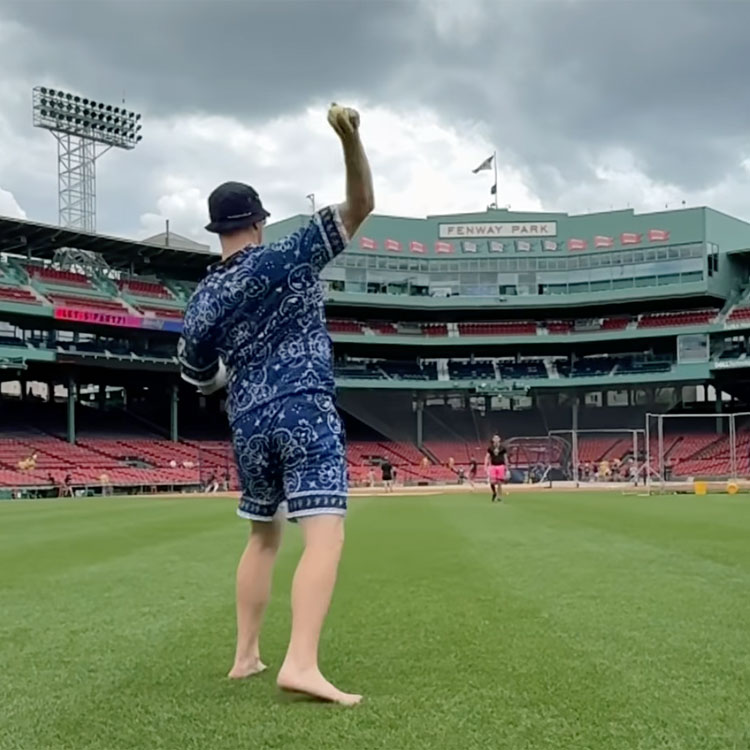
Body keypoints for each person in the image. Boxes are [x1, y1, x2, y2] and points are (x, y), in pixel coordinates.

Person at [177, 103, 373, 706]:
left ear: (218, 231)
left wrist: (223, 382)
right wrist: (350, 139)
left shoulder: (203, 299)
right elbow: (360, 204)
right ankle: (301, 663)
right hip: (304, 406)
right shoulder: (286, 255)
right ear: (258, 221)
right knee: (326, 534)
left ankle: (246, 657)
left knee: (263, 537)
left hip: (248, 421)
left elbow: (196, 372)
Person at [484, 434, 507, 502]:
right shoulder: (490, 448)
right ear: (493, 440)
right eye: (495, 438)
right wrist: (485, 465)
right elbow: (487, 457)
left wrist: (507, 467)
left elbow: (505, 458)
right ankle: (494, 492)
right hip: (493, 466)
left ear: (499, 439)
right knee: (492, 482)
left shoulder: (503, 448)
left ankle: (499, 496)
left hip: (501, 465)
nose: (496, 440)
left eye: (497, 438)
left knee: (499, 482)